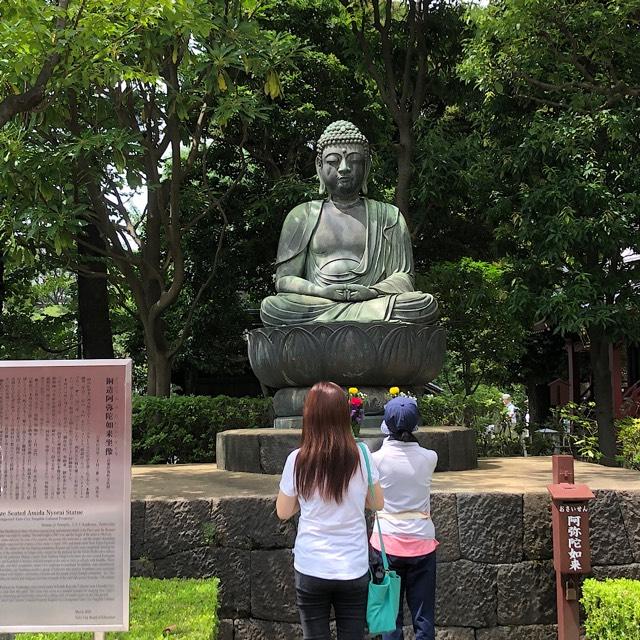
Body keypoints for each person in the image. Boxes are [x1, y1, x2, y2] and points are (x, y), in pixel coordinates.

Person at [260, 120, 438, 325]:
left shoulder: (389, 216)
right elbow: (284, 280)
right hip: (319, 303)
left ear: (366, 165)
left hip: (373, 303)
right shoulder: (302, 216)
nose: (344, 168)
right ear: (319, 167)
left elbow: (404, 279)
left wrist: (371, 291)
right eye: (333, 161)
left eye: (353, 160)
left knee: (421, 304)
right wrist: (321, 291)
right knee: (273, 307)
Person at [276, 381, 384, 640]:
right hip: (353, 567)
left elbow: (283, 511)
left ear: (309, 416)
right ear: (343, 415)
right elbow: (377, 503)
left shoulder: (298, 459)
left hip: (311, 565)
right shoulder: (362, 455)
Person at [370, 397, 438, 640]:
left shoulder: (375, 459)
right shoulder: (430, 457)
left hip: (386, 543)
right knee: (424, 616)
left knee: (389, 617)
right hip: (421, 541)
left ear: (385, 424)